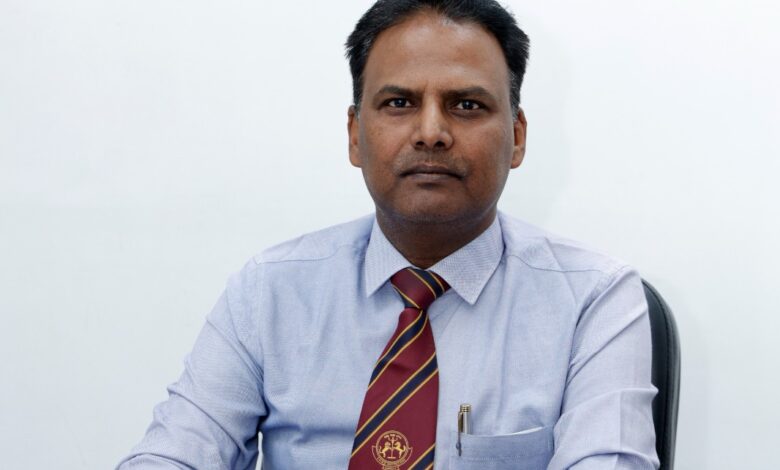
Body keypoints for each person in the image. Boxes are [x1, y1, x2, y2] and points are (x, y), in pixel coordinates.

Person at [117, 1, 659, 469]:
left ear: (516, 138)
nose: (431, 132)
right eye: (399, 103)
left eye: (467, 105)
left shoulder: (594, 300)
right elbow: (174, 453)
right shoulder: (269, 292)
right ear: (355, 135)